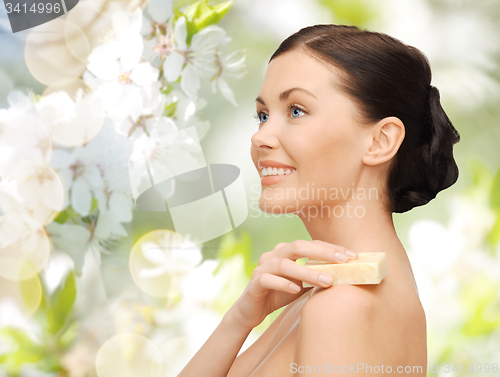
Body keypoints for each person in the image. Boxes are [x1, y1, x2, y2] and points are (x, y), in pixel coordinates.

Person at [178, 24, 460, 377]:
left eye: (296, 110)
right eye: (263, 115)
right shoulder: (329, 291)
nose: (261, 136)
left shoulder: (342, 305)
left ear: (380, 141)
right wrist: (239, 319)